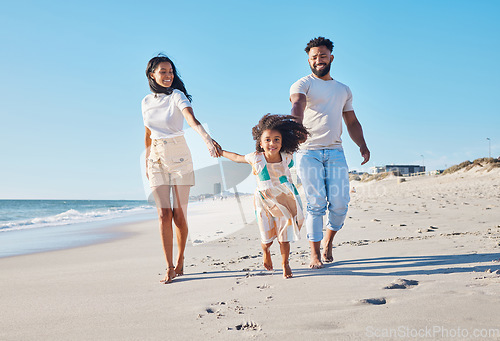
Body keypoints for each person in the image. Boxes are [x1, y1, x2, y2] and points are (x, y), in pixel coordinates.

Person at [290, 37, 370, 269]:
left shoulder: (343, 90)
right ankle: (314, 253)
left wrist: (362, 145)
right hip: (308, 152)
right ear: (308, 60)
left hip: (335, 150)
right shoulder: (302, 84)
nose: (318, 60)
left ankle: (328, 241)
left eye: (322, 56)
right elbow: (298, 106)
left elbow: (352, 121)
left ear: (331, 58)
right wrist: (296, 128)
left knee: (340, 203)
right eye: (314, 57)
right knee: (316, 204)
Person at [142, 54, 220, 283]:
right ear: (152, 75)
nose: (168, 76)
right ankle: (168, 267)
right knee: (163, 213)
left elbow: (191, 119)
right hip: (155, 157)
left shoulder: (177, 96)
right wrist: (147, 160)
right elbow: (147, 133)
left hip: (179, 157)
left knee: (178, 215)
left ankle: (181, 258)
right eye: (163, 71)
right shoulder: (145, 101)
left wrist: (207, 139)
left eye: (170, 71)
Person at [217, 114, 308, 278]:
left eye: (276, 139)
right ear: (260, 143)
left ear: (282, 142)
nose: (272, 143)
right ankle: (266, 251)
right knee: (266, 237)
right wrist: (221, 151)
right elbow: (237, 158)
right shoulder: (256, 158)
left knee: (284, 237)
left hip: (284, 199)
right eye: (267, 140)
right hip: (263, 201)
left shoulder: (287, 157)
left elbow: (298, 146)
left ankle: (285, 263)